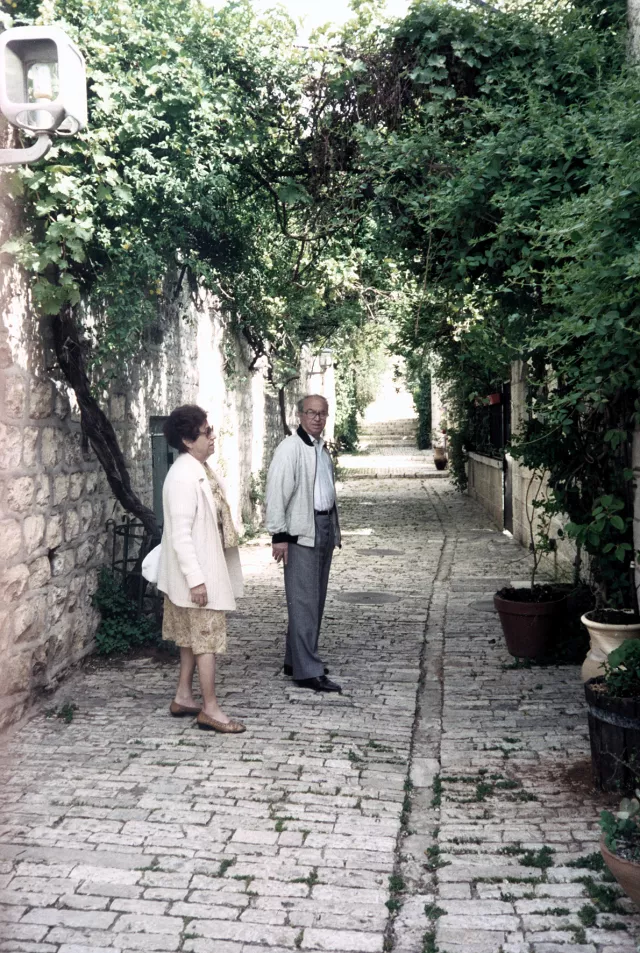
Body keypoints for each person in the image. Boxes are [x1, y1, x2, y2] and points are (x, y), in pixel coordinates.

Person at [157, 404, 245, 733]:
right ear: (187, 439)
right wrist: (196, 580)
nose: (212, 436)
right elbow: (179, 534)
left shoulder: (198, 468)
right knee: (205, 641)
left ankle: (183, 695)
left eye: (210, 429)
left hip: (194, 572)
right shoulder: (183, 476)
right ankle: (210, 708)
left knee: (190, 638)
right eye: (206, 432)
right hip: (195, 575)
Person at [265, 394, 342, 693]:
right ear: (300, 415)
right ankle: (307, 671)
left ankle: (294, 660)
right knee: (304, 602)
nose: (317, 418)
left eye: (322, 413)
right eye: (311, 413)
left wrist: (333, 529)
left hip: (321, 528)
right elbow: (276, 494)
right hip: (299, 534)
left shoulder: (321, 449)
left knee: (312, 600)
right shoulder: (290, 449)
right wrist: (279, 537)